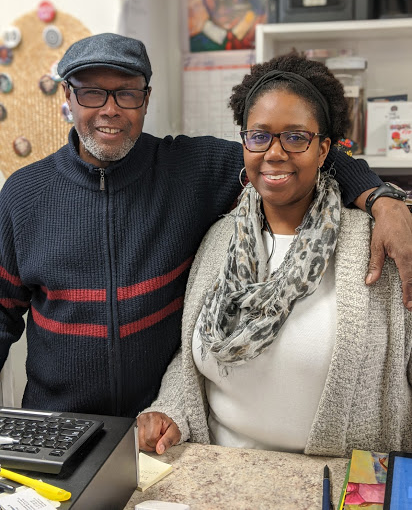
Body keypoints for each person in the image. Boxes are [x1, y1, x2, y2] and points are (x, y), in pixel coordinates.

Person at [0, 33, 410, 419]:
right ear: (69, 97)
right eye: (92, 92)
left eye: (126, 93)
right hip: (54, 421)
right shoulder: (23, 195)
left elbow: (292, 157)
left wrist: (381, 199)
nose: (111, 109)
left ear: (145, 100)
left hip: (161, 424)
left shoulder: (191, 169)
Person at [138, 53, 412, 457]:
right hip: (220, 469)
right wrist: (170, 409)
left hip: (333, 481)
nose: (275, 152)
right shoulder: (219, 239)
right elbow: (195, 350)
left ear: (324, 151)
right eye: (260, 135)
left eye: (296, 137)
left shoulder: (377, 247)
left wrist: (388, 202)